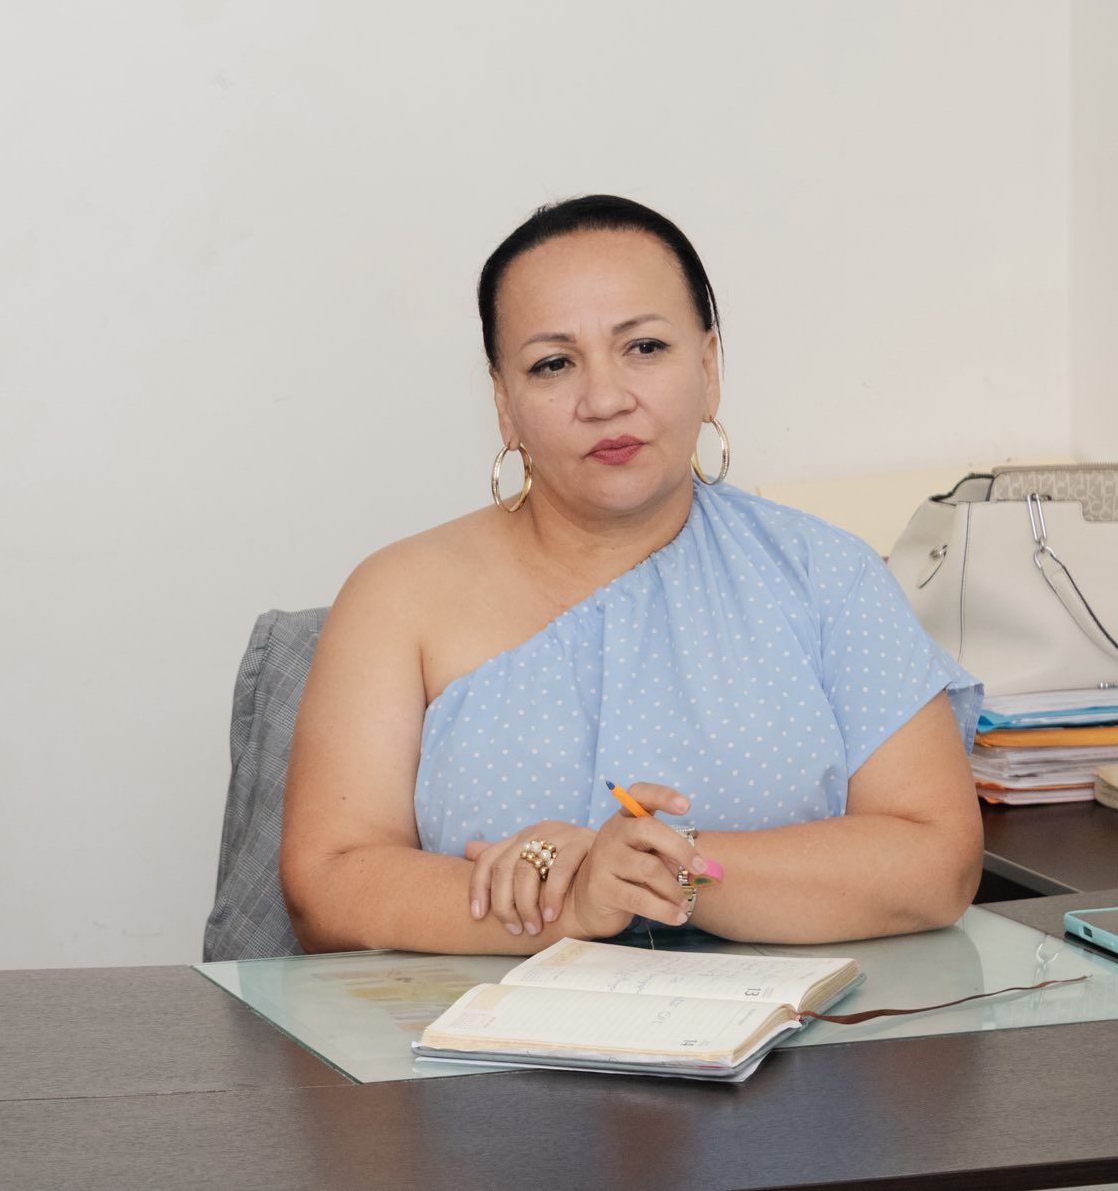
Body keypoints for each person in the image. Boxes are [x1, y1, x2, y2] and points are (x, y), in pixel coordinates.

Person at [280, 195, 981, 954]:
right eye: (553, 364)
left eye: (644, 347)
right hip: (479, 1026)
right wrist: (573, 903)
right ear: (504, 404)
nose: (606, 400)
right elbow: (327, 885)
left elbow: (936, 861)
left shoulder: (828, 575)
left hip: (795, 1025)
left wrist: (657, 867)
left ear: (708, 369)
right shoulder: (395, 597)